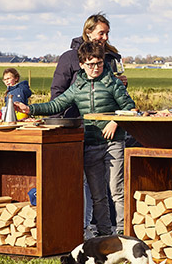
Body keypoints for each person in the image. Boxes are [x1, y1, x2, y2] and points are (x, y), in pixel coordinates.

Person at [15, 41, 135, 237]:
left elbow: (130, 107)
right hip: (90, 143)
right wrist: (31, 109)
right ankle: (105, 235)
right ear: (81, 64)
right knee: (98, 195)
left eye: (99, 63)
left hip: (113, 143)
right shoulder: (77, 86)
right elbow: (57, 105)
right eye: (91, 64)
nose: (95, 68)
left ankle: (123, 233)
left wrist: (115, 121)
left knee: (117, 191)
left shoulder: (112, 82)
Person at [51, 13, 127, 238]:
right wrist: (66, 120)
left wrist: (120, 85)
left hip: (108, 131)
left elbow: (123, 101)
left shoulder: (111, 57)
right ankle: (87, 229)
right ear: (88, 32)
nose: (104, 37)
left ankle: (116, 233)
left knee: (113, 188)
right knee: (87, 185)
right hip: (79, 129)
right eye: (101, 33)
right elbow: (58, 93)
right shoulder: (69, 58)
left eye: (107, 33)